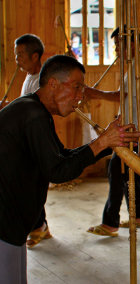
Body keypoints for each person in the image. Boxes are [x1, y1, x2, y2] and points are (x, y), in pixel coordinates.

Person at [0, 55, 140, 283]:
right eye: (76, 87)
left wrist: (108, 143)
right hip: (4, 225)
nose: (80, 96)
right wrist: (101, 143)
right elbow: (59, 171)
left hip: (11, 225)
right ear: (53, 83)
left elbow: (62, 155)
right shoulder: (32, 114)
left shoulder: (35, 109)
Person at [85, 27, 140, 237]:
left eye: (119, 44)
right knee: (127, 172)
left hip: (135, 129)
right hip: (131, 125)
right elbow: (128, 100)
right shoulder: (134, 64)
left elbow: (121, 95)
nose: (116, 49)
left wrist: (93, 93)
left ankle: (110, 223)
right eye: (116, 44)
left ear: (132, 44)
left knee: (116, 170)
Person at [13, 34, 53, 249]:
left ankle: (39, 225)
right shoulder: (29, 76)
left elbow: (33, 111)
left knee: (34, 186)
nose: (17, 59)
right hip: (26, 139)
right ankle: (41, 225)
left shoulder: (42, 81)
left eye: (20, 55)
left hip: (37, 140)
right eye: (16, 55)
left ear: (35, 55)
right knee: (32, 184)